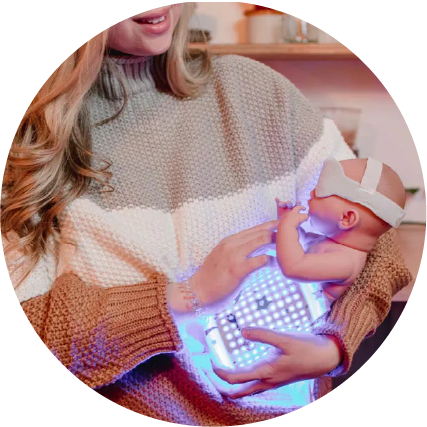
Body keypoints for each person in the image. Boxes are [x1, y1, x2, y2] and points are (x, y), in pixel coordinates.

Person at [0, 3, 411, 426]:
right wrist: (183, 297)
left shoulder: (259, 93)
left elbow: (374, 234)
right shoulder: (31, 145)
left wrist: (334, 345)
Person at [275, 157, 406, 303]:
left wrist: (286, 227)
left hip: (291, 319)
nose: (311, 193)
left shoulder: (346, 262)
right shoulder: (331, 244)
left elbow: (293, 267)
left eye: (320, 189)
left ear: (347, 219)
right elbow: (298, 244)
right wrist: (287, 223)